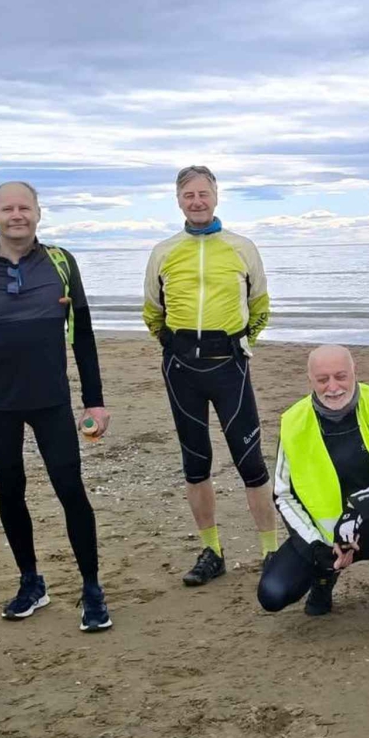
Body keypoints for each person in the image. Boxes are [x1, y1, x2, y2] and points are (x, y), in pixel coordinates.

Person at [0, 181, 112, 632]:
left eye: (24, 207)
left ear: (38, 213)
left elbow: (82, 335)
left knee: (70, 490)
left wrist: (94, 401)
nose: (16, 215)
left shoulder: (61, 262)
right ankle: (31, 582)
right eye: (7, 209)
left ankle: (92, 589)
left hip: (50, 400)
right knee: (10, 491)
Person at [143, 165, 278, 586]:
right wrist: (173, 346)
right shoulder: (164, 251)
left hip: (229, 365)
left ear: (216, 197)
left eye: (203, 193)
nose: (197, 201)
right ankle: (212, 551)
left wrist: (244, 344)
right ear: (178, 201)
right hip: (181, 368)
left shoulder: (241, 247)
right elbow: (152, 311)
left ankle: (271, 551)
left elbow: (260, 305)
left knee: (250, 462)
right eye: (189, 195)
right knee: (196, 463)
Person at [258, 346, 369, 641]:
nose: (333, 387)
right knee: (272, 594)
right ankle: (325, 575)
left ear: (354, 373)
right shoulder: (293, 422)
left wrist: (360, 506)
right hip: (324, 536)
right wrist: (316, 547)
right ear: (310, 380)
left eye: (341, 376)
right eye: (322, 379)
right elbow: (283, 495)